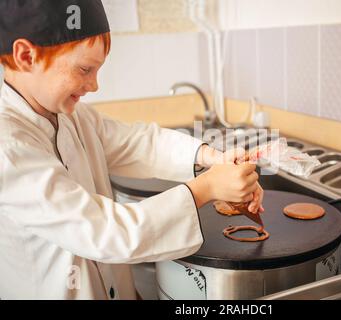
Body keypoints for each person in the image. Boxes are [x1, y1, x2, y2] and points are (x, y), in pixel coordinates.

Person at [0, 0, 264, 299]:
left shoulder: (69, 115)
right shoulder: (8, 147)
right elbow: (105, 232)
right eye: (85, 69)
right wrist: (207, 187)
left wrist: (213, 158)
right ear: (25, 56)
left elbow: (137, 143)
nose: (94, 85)